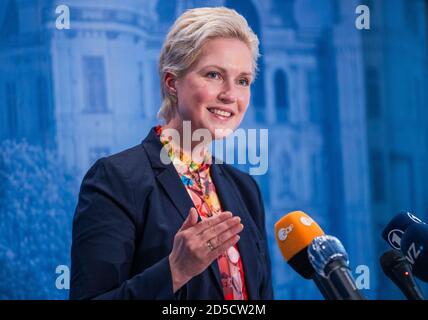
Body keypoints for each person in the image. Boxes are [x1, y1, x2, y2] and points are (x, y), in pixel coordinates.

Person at [70, 6, 273, 300]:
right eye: (214, 75)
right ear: (172, 83)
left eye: (243, 81)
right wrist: (175, 270)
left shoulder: (246, 188)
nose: (231, 95)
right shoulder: (117, 179)